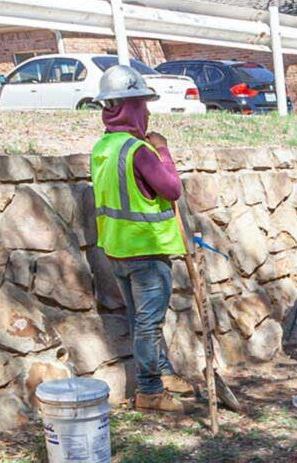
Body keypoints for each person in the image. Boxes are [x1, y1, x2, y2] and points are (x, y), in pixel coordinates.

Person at [91, 65, 193, 413]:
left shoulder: (103, 147)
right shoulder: (138, 150)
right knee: (149, 324)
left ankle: (162, 373)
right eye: (142, 105)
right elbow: (172, 188)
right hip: (147, 250)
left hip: (117, 250)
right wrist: (163, 151)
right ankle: (150, 391)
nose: (147, 111)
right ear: (130, 107)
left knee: (141, 320)